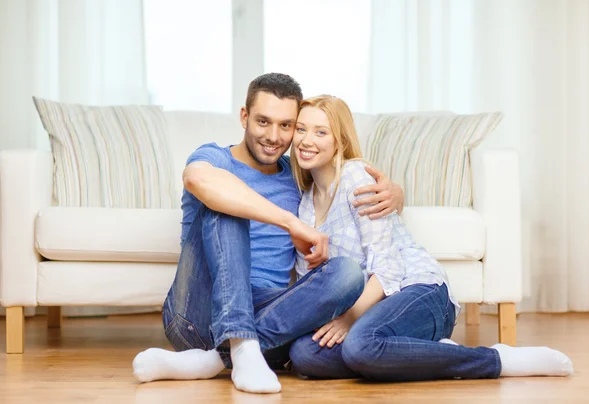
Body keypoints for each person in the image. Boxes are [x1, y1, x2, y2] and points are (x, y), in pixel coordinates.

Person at [132, 73, 404, 394]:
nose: (274, 136)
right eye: (263, 122)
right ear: (244, 117)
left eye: (286, 125)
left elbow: (343, 179)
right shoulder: (216, 158)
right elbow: (197, 179)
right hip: (198, 313)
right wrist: (291, 223)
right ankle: (241, 345)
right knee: (226, 204)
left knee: (346, 274)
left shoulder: (297, 173)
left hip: (270, 319)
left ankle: (218, 358)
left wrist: (396, 195)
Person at [287, 95, 574, 381]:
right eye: (301, 129)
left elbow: (388, 269)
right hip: (370, 313)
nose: (306, 140)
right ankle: (422, 353)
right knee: (304, 355)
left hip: (418, 290)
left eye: (320, 132)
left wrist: (349, 319)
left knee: (361, 346)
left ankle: (496, 360)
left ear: (340, 140)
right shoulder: (305, 206)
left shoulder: (356, 178)